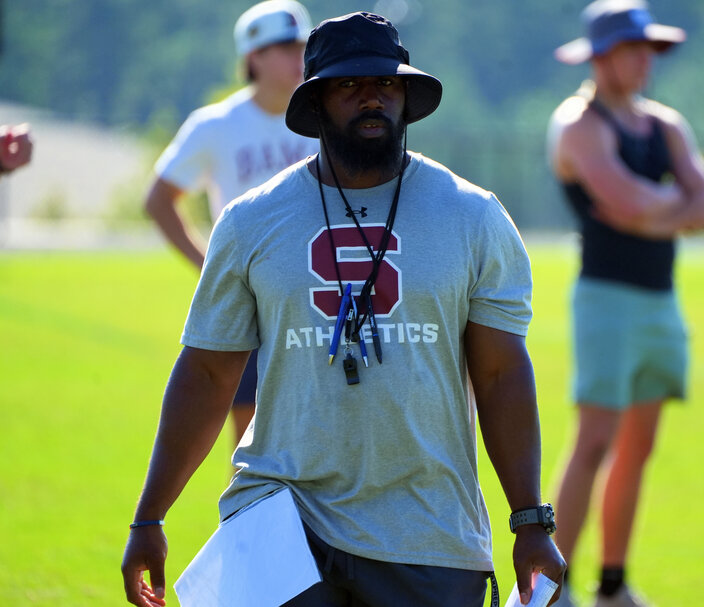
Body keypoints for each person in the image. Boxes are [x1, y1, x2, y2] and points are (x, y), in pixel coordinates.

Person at [121, 11, 565, 607]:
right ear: (318, 104)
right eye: (348, 86)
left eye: (385, 84)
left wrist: (529, 519)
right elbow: (206, 372)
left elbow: (501, 372)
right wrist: (150, 517)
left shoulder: (474, 216)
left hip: (427, 527)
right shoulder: (250, 221)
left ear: (406, 96)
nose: (371, 99)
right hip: (280, 512)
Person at [546, 1, 704, 606]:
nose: (645, 60)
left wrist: (654, 215)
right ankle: (553, 586)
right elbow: (631, 196)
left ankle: (613, 586)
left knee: (639, 447)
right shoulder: (579, 124)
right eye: (632, 49)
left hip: (660, 302)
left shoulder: (665, 124)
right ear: (600, 57)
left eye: (650, 49)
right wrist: (674, 211)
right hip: (605, 301)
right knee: (593, 440)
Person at [145, 0, 318, 448]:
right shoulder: (215, 125)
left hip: (321, 298)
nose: (297, 57)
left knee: (329, 434)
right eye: (283, 47)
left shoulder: (326, 118)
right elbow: (159, 200)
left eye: (302, 45)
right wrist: (211, 267)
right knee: (252, 449)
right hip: (251, 305)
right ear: (252, 58)